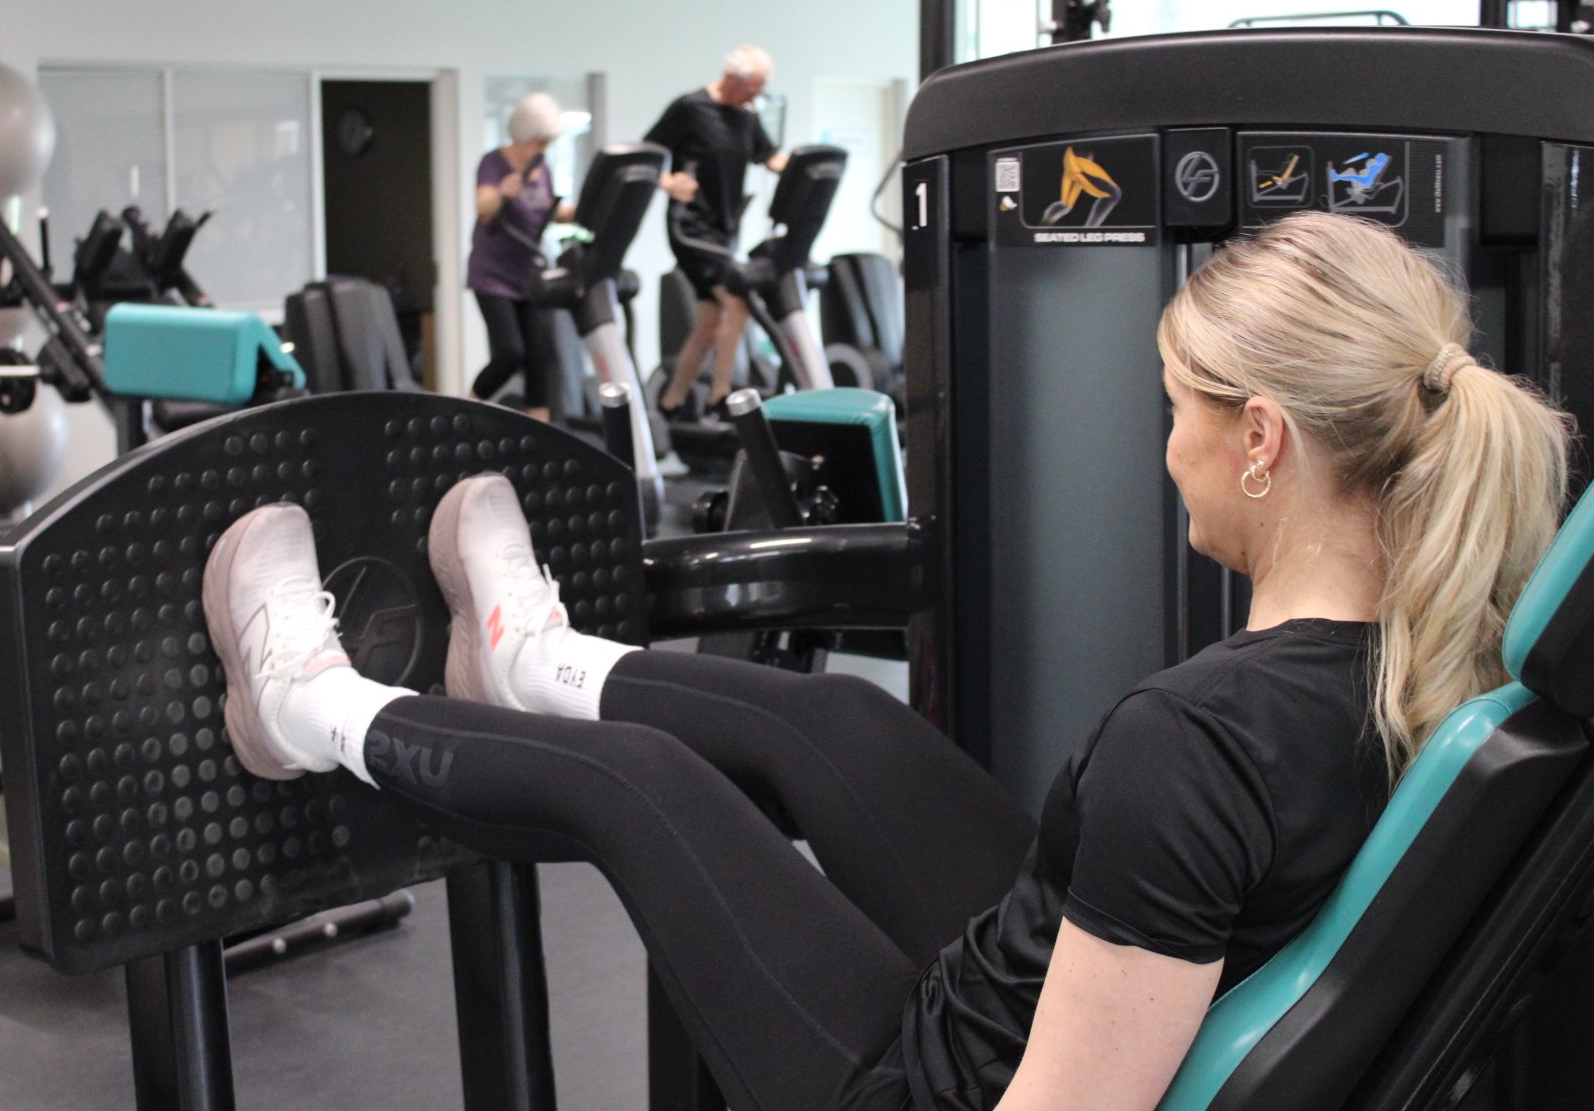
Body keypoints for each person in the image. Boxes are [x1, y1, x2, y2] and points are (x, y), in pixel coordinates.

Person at [200, 211, 1571, 1111]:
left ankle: (308, 703)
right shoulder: (1440, 655)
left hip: (920, 1091)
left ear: (1261, 440)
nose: (1168, 450)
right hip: (1047, 983)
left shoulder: (1198, 741)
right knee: (848, 732)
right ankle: (531, 660)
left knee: (643, 785)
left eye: (1177, 410)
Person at [647, 45, 791, 421]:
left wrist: (806, 168)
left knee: (708, 322)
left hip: (725, 229)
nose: (755, 97)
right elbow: (648, 154)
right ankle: (720, 396)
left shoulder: (746, 116)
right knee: (738, 302)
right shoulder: (690, 108)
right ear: (731, 78)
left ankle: (670, 404)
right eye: (752, 88)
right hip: (690, 227)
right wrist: (668, 183)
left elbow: (771, 158)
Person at [467, 93, 575, 423]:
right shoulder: (493, 163)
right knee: (510, 352)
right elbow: (483, 207)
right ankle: (464, 408)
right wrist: (503, 192)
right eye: (538, 143)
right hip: (492, 275)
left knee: (539, 357)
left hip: (528, 275)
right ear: (522, 135)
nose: (542, 150)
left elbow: (548, 212)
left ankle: (540, 431)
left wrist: (585, 210)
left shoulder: (542, 168)